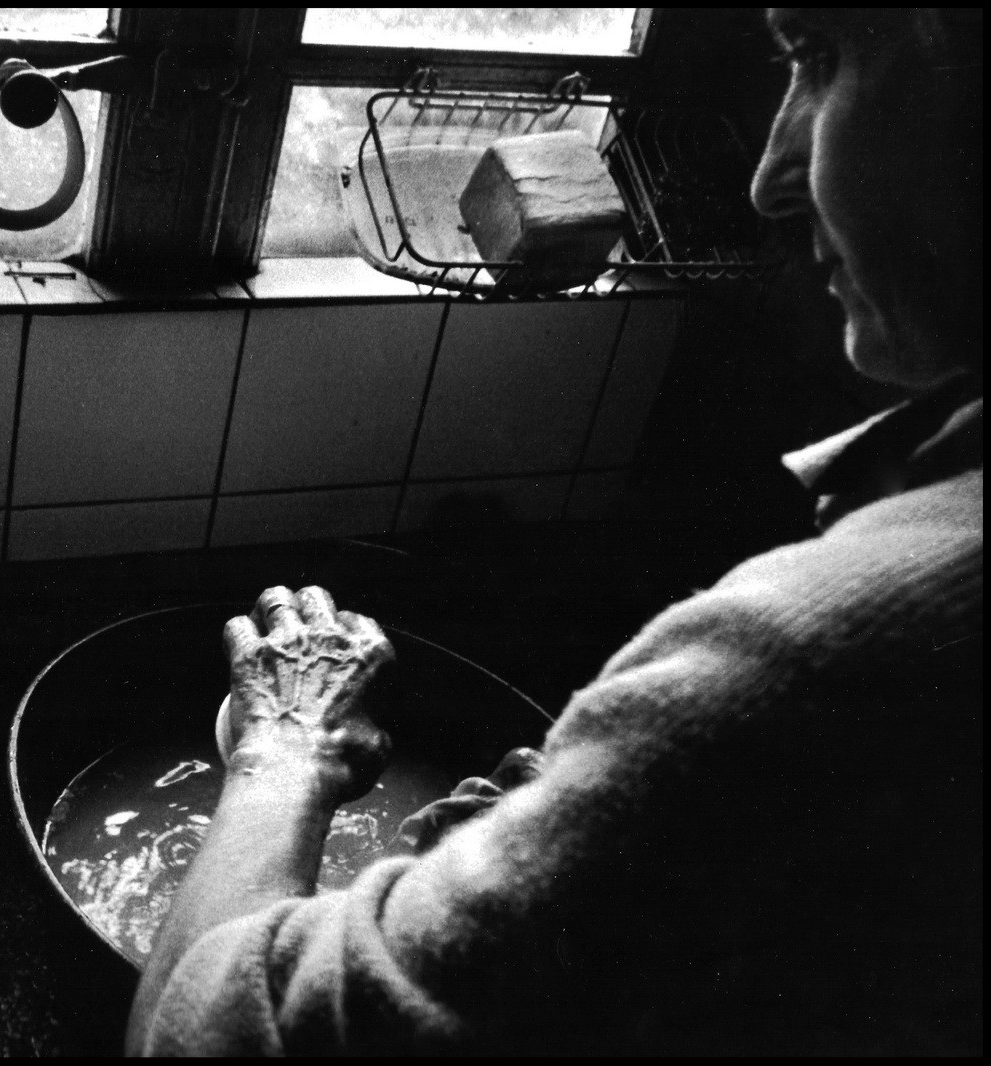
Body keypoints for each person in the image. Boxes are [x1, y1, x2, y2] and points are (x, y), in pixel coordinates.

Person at [126, 8, 983, 1055]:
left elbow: (199, 1030)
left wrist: (285, 747)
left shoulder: (821, 662)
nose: (768, 179)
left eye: (820, 56)